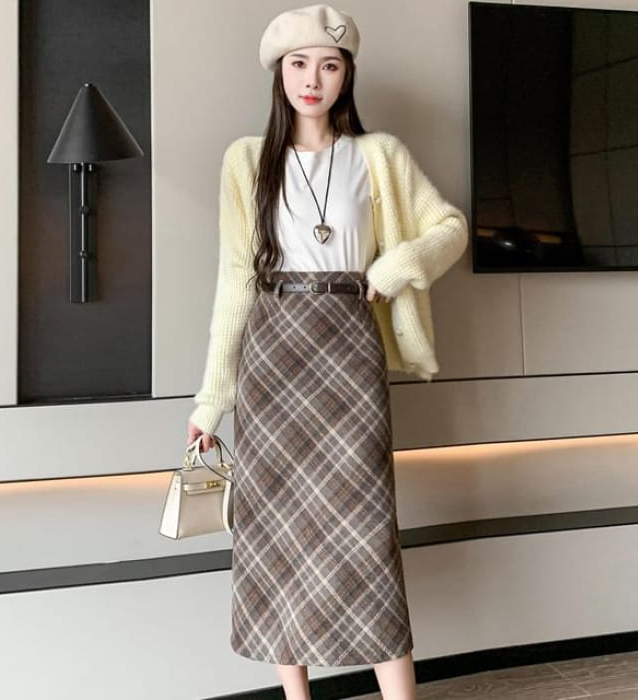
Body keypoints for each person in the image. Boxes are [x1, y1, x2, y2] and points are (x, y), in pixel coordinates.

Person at [186, 4, 468, 698]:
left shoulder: (379, 155)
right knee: (275, 529)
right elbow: (235, 279)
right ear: (279, 73)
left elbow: (449, 228)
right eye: (299, 64)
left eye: (329, 65)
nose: (312, 79)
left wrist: (395, 266)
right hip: (272, 352)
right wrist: (211, 400)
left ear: (347, 76)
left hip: (347, 345)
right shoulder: (245, 160)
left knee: (365, 530)